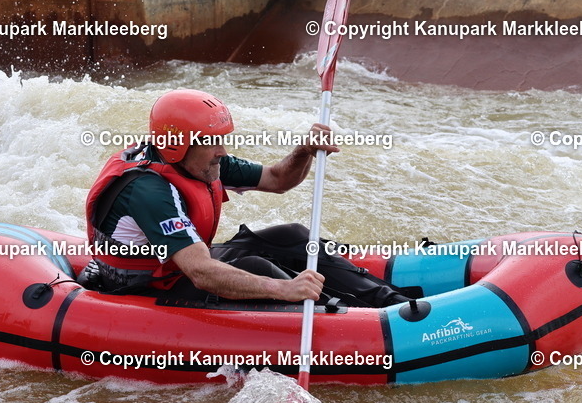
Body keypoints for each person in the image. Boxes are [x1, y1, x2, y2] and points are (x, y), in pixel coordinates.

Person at [82, 88, 410, 307]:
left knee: (292, 237)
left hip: (180, 266)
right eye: (213, 142)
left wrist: (305, 151)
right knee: (257, 267)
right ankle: (342, 316)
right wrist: (284, 289)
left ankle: (390, 302)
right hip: (150, 288)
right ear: (177, 145)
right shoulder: (150, 191)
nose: (222, 152)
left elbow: (278, 179)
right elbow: (201, 272)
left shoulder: (200, 162)